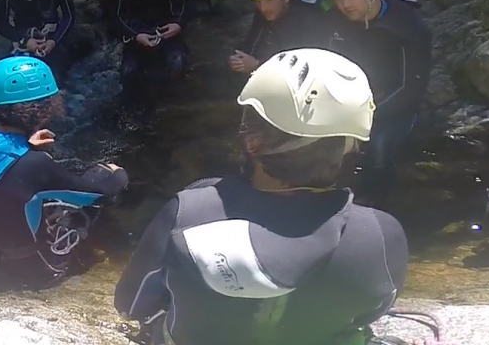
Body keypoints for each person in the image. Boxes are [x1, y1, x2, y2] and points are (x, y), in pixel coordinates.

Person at [114, 48, 408, 345]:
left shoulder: (189, 211)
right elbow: (372, 310)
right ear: (352, 141)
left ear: (252, 140)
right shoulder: (383, 235)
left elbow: (130, 304)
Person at [0, 55, 128, 288]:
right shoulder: (35, 165)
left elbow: (0, 170)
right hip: (27, 271)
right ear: (41, 110)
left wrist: (24, 145)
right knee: (98, 181)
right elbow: (99, 193)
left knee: (18, 195)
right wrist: (115, 174)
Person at [320, 0, 432, 206]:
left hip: (397, 102)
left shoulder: (407, 26)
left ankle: (378, 206)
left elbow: (412, 87)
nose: (346, 4)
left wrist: (368, 112)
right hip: (353, 99)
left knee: (379, 146)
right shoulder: (336, 22)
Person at [113, 0, 188, 96]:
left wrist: (178, 24)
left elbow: (187, 2)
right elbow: (115, 15)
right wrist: (136, 35)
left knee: (177, 61)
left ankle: (173, 98)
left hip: (166, 27)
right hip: (138, 32)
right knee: (128, 71)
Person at [229, 0, 331, 75]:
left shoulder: (308, 16)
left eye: (269, 0)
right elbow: (252, 43)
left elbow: (306, 65)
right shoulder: (267, 11)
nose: (263, 8)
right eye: (258, 2)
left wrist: (257, 65)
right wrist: (238, 59)